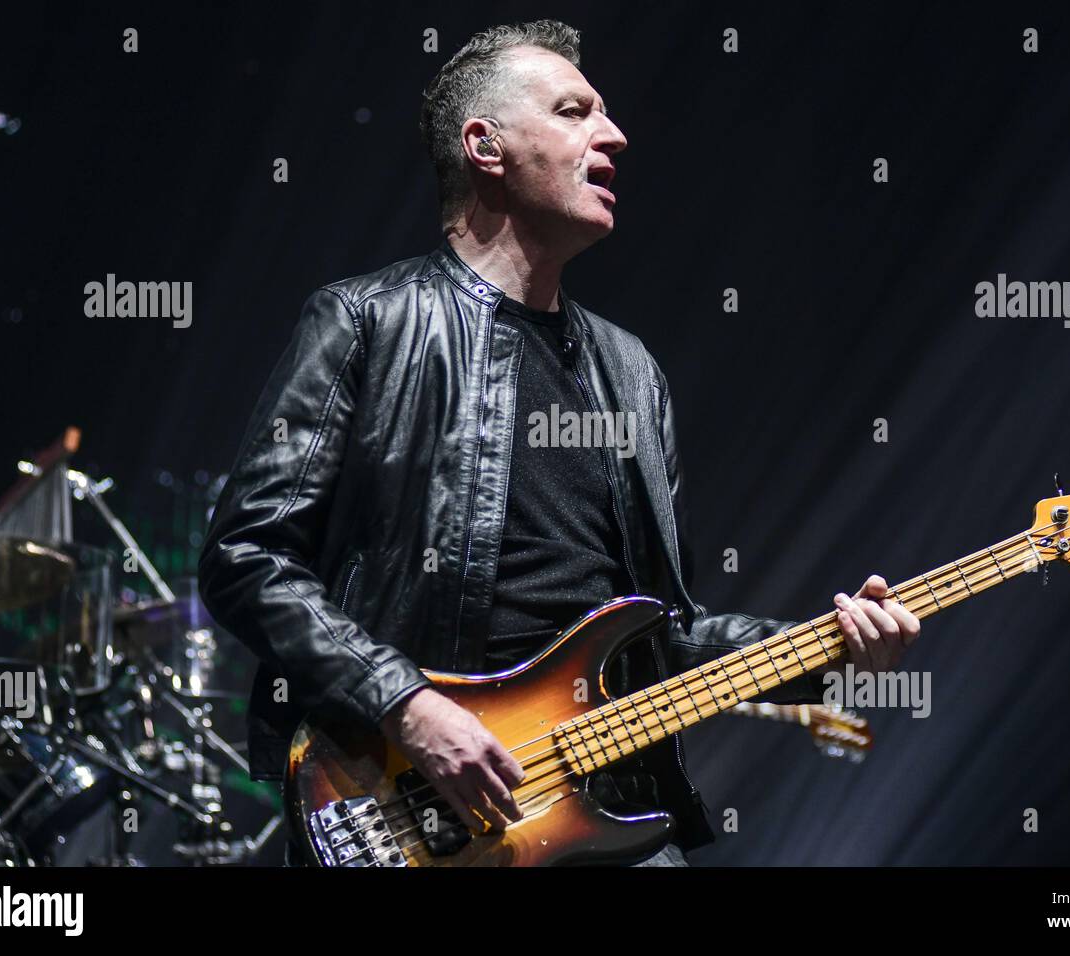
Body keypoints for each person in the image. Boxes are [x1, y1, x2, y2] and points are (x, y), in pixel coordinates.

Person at [198, 19, 919, 867]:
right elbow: (247, 556)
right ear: (486, 146)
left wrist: (832, 653)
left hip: (609, 818)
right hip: (414, 811)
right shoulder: (368, 322)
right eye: (575, 111)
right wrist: (408, 707)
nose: (613, 135)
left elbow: (662, 638)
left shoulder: (631, 372)